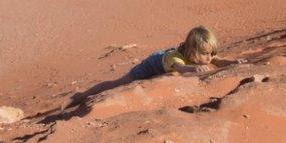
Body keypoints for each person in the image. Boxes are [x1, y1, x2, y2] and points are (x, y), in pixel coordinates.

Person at [69, 26, 242, 105]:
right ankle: (81, 95)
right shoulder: (178, 59)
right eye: (205, 54)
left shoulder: (204, 56)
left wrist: (233, 63)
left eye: (211, 53)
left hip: (170, 63)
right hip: (153, 65)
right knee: (120, 83)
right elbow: (180, 68)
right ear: (192, 50)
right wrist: (193, 68)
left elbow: (218, 59)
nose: (209, 57)